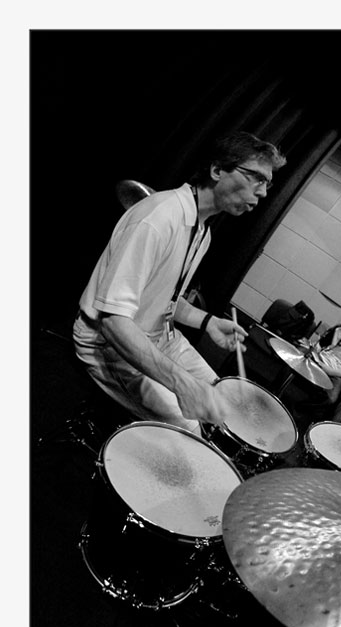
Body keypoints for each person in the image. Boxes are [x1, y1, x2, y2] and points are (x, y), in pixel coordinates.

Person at [73, 131, 287, 434]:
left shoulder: (203, 231)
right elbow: (113, 322)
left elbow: (164, 299)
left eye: (268, 183)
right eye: (257, 178)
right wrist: (182, 384)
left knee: (228, 404)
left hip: (160, 337)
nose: (263, 192)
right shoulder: (159, 218)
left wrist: (208, 322)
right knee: (191, 428)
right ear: (217, 170)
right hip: (107, 344)